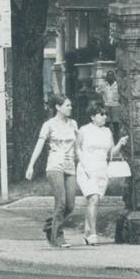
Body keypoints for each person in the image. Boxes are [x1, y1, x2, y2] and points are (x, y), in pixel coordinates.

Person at [24, 94, 79, 248]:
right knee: (61, 203)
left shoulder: (73, 123)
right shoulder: (49, 125)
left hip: (70, 166)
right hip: (55, 165)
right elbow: (39, 145)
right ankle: (57, 237)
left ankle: (51, 225)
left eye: (70, 105)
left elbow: (77, 147)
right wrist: (31, 165)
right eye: (67, 105)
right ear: (58, 107)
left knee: (70, 205)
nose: (70, 108)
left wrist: (84, 163)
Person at [75, 101, 129, 246]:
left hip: (101, 169)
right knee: (93, 198)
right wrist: (84, 165)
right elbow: (77, 148)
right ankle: (93, 233)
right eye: (101, 114)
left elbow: (111, 153)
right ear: (93, 116)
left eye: (105, 114)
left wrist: (120, 144)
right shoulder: (84, 130)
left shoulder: (107, 132)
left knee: (95, 201)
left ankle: (87, 232)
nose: (105, 117)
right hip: (86, 169)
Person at [100, 69, 122, 141]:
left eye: (111, 76)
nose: (109, 77)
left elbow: (122, 93)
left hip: (115, 105)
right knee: (106, 123)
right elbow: (99, 92)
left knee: (116, 123)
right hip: (106, 105)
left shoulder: (117, 84)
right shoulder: (103, 85)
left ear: (113, 76)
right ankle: (106, 139)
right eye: (108, 76)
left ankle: (116, 139)